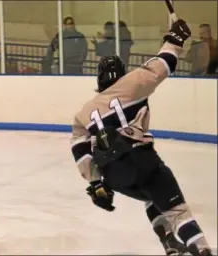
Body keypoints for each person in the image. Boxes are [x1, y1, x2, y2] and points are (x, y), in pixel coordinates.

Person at [70, 19, 213, 256]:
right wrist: (174, 40)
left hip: (114, 174)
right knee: (177, 211)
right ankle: (202, 250)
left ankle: (169, 242)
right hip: (143, 160)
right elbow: (165, 64)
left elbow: (79, 148)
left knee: (150, 196)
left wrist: (95, 183)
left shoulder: (84, 113)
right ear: (121, 73)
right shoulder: (133, 82)